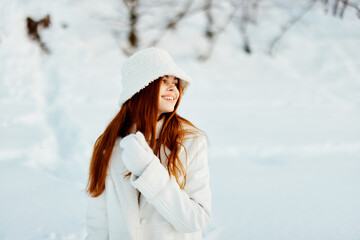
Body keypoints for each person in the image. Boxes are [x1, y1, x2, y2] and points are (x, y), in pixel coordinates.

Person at [85, 47, 212, 240]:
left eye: (176, 82)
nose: (173, 89)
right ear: (141, 87)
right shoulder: (109, 144)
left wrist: (148, 170)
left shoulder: (191, 141)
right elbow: (98, 221)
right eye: (163, 81)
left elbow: (196, 219)